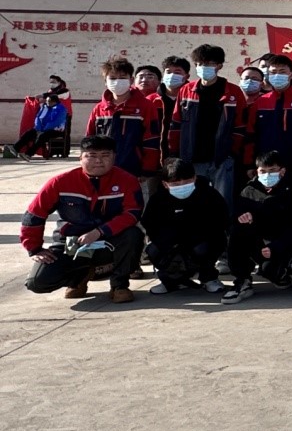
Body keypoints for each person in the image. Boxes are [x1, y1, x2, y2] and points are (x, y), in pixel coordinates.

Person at [20, 136, 143, 304]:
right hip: (72, 243)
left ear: (114, 157)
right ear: (80, 158)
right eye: (91, 155)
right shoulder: (60, 182)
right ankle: (78, 279)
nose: (98, 161)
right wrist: (34, 249)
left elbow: (132, 213)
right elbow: (34, 215)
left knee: (133, 235)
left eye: (105, 155)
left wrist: (100, 232)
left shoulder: (127, 181)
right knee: (37, 282)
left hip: (111, 240)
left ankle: (119, 285)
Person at [167, 44, 247, 209]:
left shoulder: (233, 92)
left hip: (221, 159)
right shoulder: (186, 90)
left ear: (219, 66)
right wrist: (174, 153)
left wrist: (231, 153)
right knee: (194, 203)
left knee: (223, 203)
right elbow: (176, 124)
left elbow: (240, 126)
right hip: (192, 157)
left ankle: (224, 226)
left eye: (210, 64)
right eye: (200, 63)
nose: (204, 67)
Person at [225, 149, 292, 302]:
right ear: (257, 171)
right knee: (237, 232)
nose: (267, 175)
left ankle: (282, 272)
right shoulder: (249, 190)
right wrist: (243, 217)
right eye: (263, 171)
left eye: (272, 170)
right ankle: (242, 280)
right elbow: (236, 217)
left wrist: (276, 246)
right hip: (259, 241)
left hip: (282, 243)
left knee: (270, 270)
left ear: (282, 171)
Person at [141, 158, 228, 294]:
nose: (182, 185)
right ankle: (171, 281)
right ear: (165, 184)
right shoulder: (158, 199)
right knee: (153, 250)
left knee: (209, 246)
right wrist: (169, 241)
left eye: (187, 181)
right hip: (171, 244)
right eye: (175, 183)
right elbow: (150, 224)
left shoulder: (209, 194)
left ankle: (209, 278)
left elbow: (222, 221)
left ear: (194, 178)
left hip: (201, 241)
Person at [86, 56, 161, 179]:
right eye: (112, 78)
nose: (117, 82)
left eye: (122, 78)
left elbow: (151, 140)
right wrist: (89, 166)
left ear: (131, 80)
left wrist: (147, 169)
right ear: (105, 82)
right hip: (103, 171)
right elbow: (90, 140)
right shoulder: (99, 109)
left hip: (134, 170)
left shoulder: (146, 106)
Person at [249, 53, 292, 178]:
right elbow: (251, 135)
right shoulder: (260, 102)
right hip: (265, 165)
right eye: (273, 72)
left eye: (282, 72)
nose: (277, 75)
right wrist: (249, 164)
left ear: (291, 74)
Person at [9, 92, 68, 160]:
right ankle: (15, 148)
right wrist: (38, 129)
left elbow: (56, 122)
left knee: (42, 137)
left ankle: (29, 154)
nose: (46, 102)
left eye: (48, 101)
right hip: (42, 129)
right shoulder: (45, 107)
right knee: (29, 133)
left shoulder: (61, 109)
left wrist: (43, 130)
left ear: (54, 102)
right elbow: (38, 117)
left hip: (55, 130)